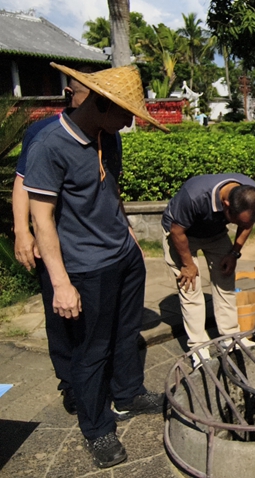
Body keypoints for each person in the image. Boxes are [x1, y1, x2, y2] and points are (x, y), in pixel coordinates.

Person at [23, 63, 168, 469]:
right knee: (91, 350)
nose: (130, 123)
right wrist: (61, 283)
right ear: (101, 104)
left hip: (124, 256)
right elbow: (42, 220)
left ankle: (129, 393)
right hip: (85, 268)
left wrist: (130, 236)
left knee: (126, 334)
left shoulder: (109, 135)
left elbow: (110, 191)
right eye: (125, 113)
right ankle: (97, 428)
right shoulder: (50, 144)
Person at [12, 73, 95, 416]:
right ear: (69, 94)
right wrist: (22, 231)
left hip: (89, 243)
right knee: (59, 316)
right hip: (53, 239)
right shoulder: (43, 132)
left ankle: (93, 376)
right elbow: (23, 182)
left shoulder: (100, 130)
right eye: (89, 97)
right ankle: (69, 382)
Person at [161, 174, 255, 367]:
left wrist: (234, 253)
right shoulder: (194, 196)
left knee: (225, 283)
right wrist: (187, 264)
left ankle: (230, 337)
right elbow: (177, 231)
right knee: (190, 288)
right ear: (226, 204)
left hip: (215, 233)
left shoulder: (252, 195)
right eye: (236, 222)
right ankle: (198, 347)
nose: (240, 226)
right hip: (182, 234)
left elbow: (247, 223)